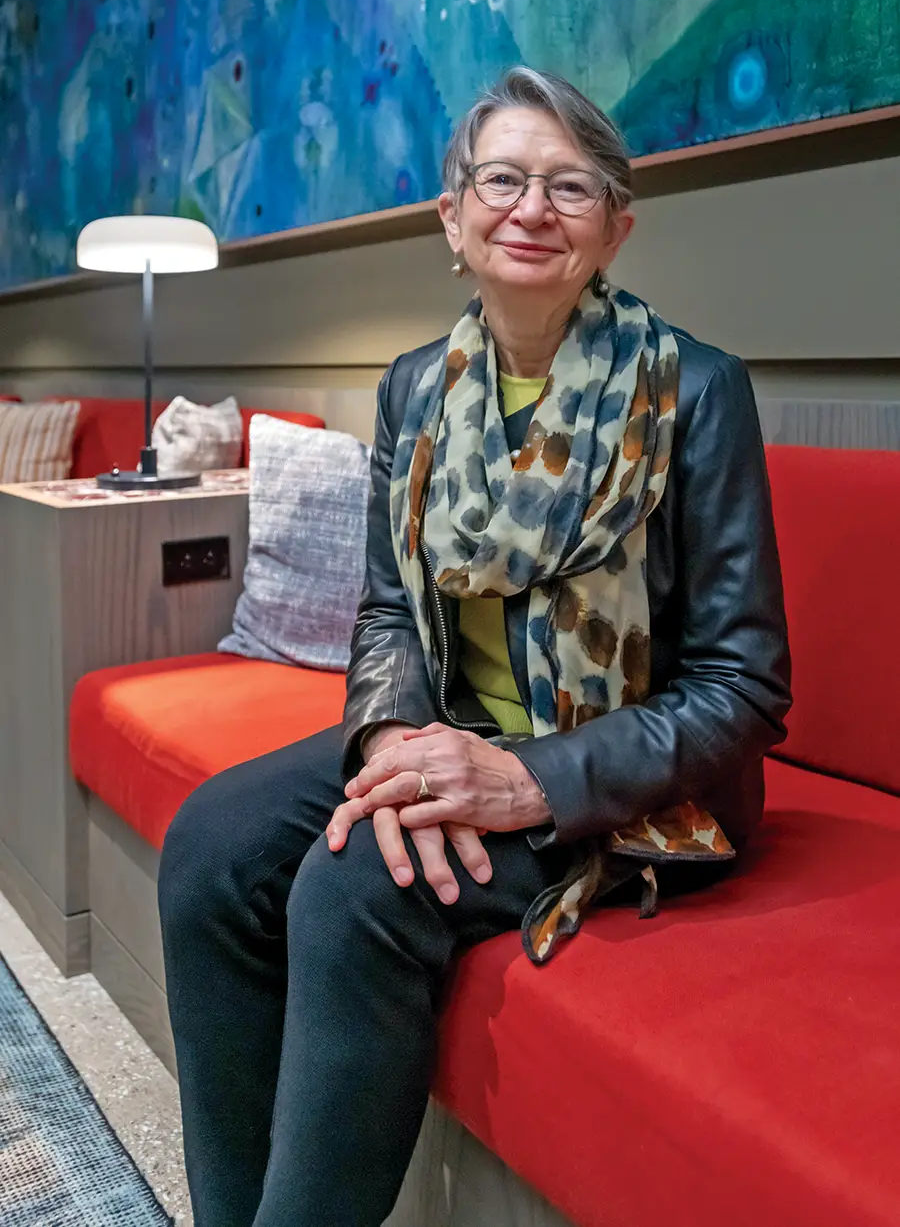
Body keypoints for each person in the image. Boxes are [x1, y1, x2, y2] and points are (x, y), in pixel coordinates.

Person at [158, 66, 791, 1227]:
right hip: (450, 725)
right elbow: (391, 609)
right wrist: (398, 736)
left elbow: (745, 688)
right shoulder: (413, 389)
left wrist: (523, 777)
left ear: (617, 225)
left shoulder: (698, 391)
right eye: (502, 178)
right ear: (452, 216)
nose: (530, 208)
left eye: (570, 185)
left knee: (360, 879)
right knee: (214, 845)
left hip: (636, 779)